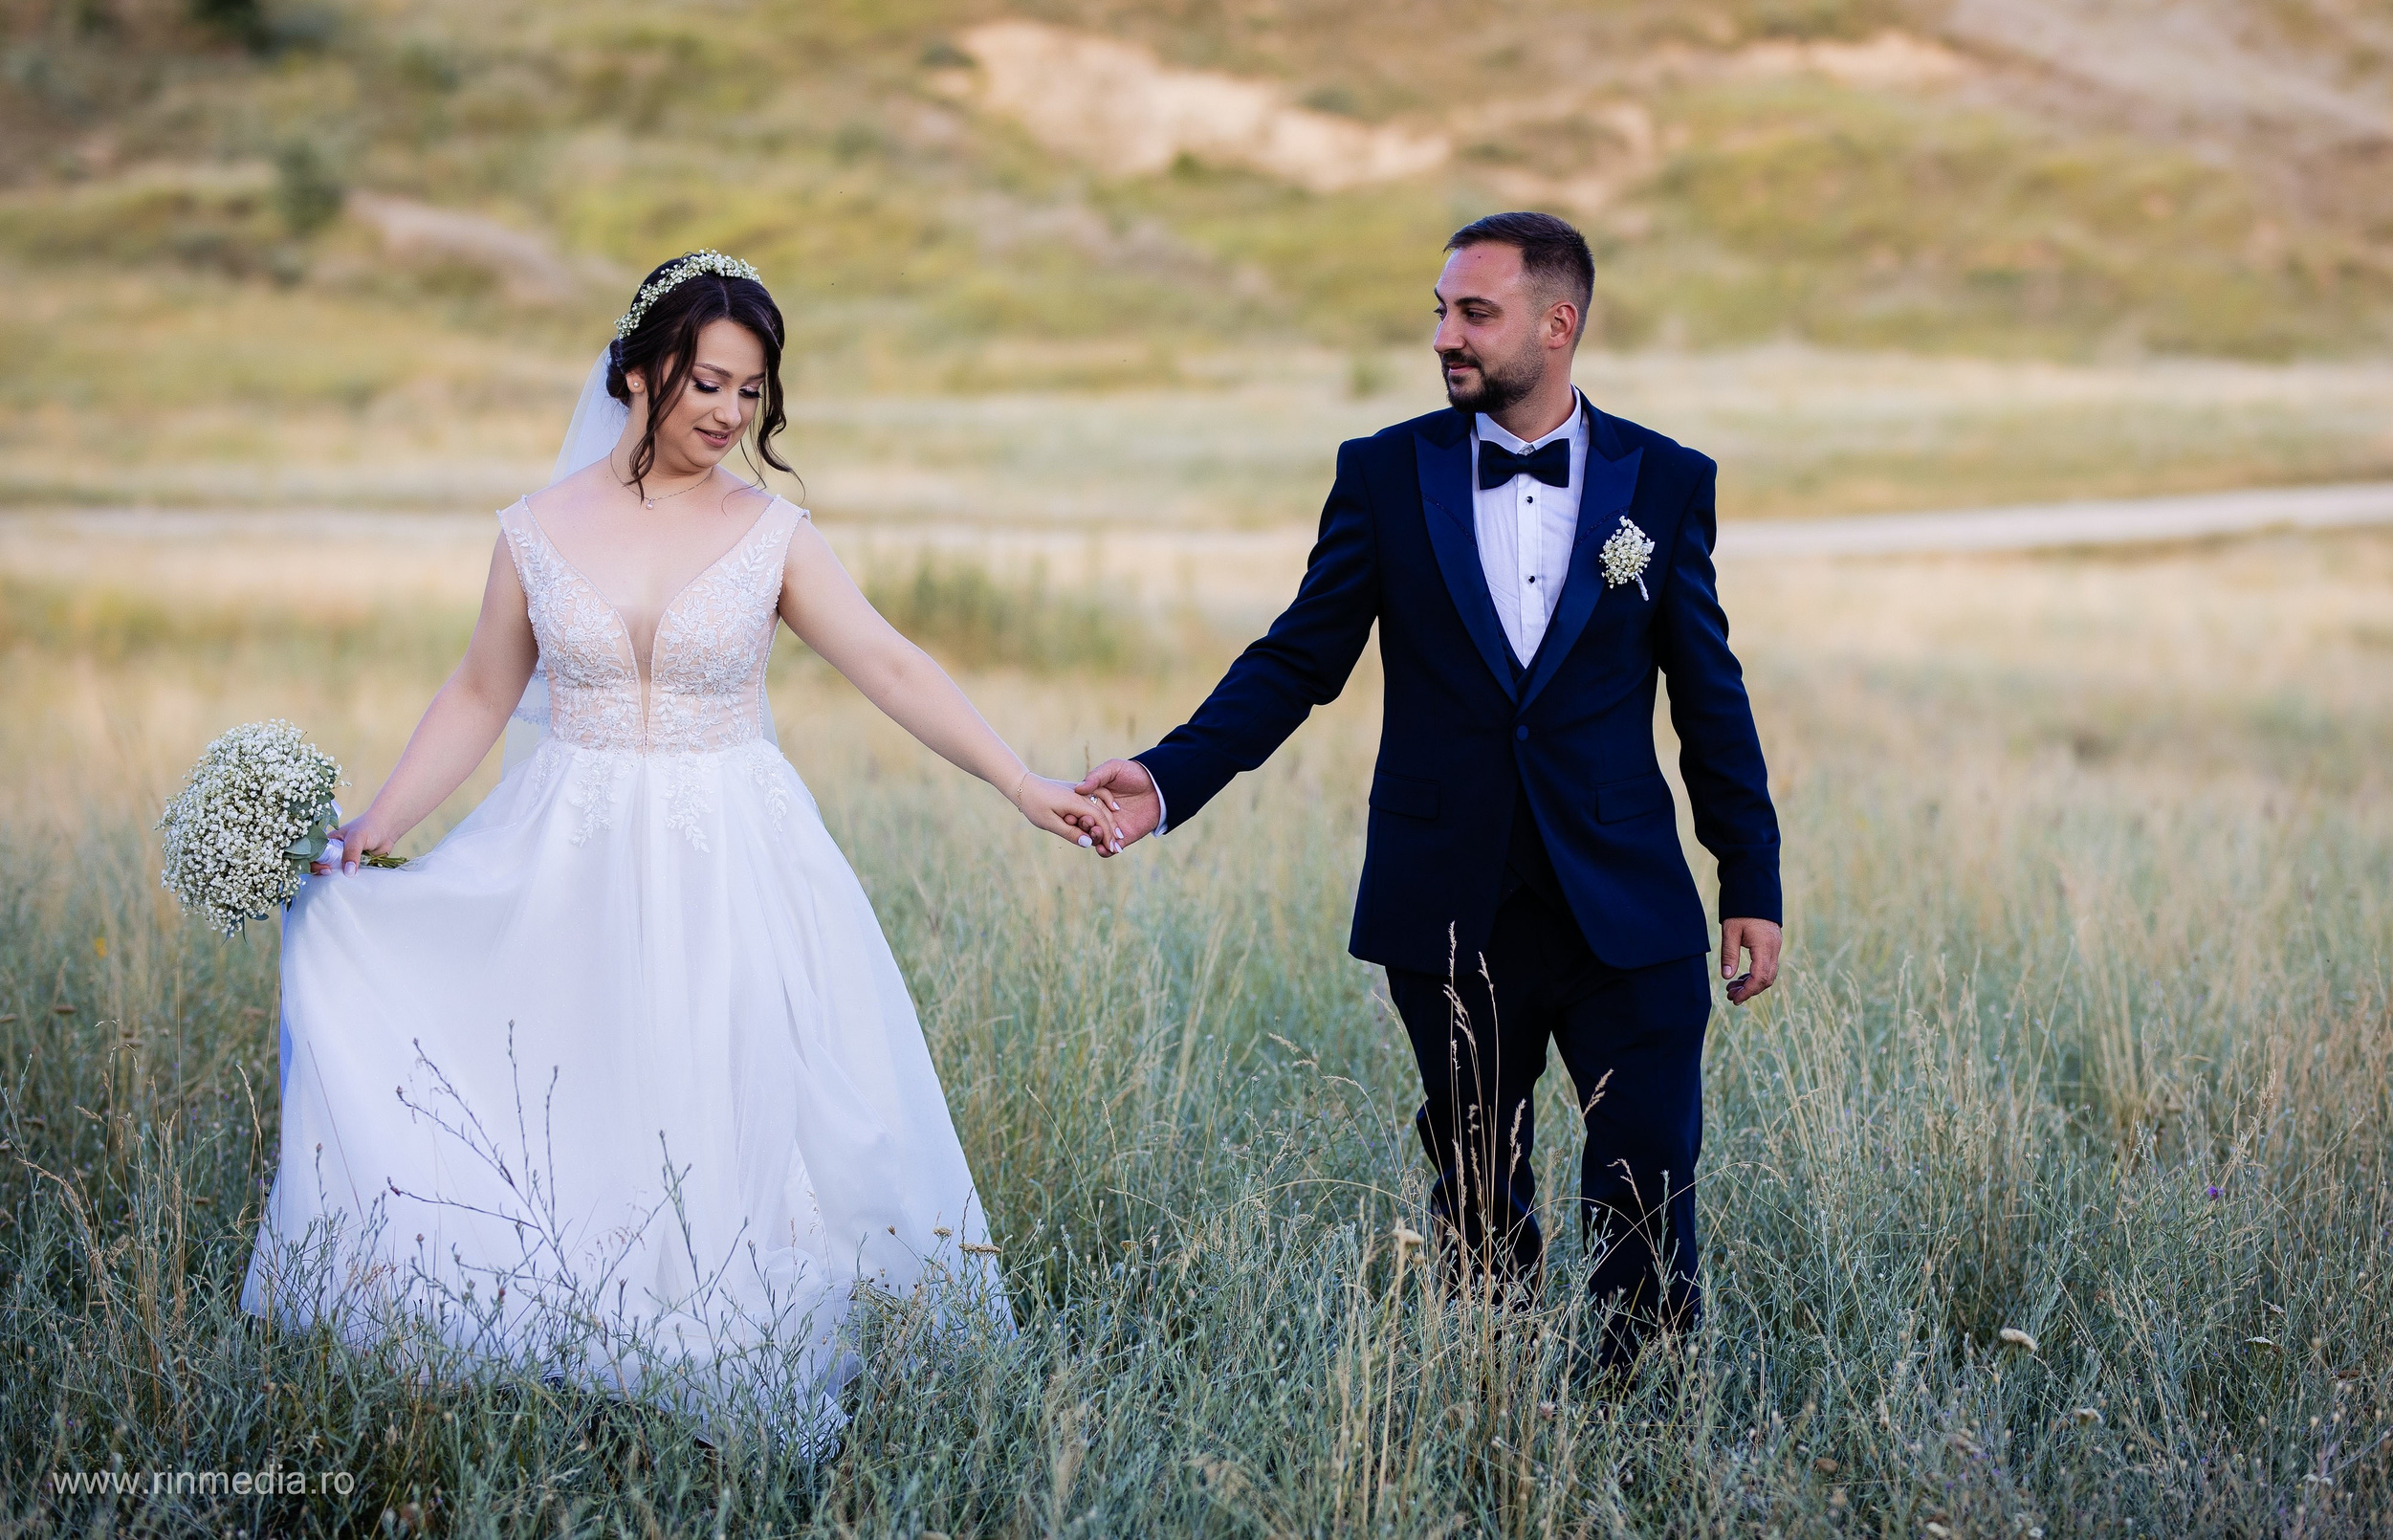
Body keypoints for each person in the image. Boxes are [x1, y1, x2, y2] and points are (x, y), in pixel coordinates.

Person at [244, 252, 1109, 1426]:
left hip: (734, 855)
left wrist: (1019, 781)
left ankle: (739, 1335)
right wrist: (373, 831)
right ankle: (590, 1324)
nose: (729, 414)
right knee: (575, 1080)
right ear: (642, 372)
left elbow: (890, 664)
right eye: (707, 382)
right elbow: (479, 694)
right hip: (570, 855)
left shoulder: (771, 533)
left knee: (736, 1080)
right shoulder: (536, 529)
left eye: (751, 393)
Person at [1075, 212, 1783, 1368]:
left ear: (1557, 326)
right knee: (1476, 1192)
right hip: (1450, 902)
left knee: (1647, 1192)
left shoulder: (1664, 481)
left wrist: (1748, 876)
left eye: (1474, 313)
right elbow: (1297, 660)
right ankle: (1492, 1406)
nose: (1445, 335)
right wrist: (1165, 780)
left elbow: (1710, 692)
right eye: (1440, 311)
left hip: (1627, 904)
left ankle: (1641, 1435)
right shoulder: (1384, 474)